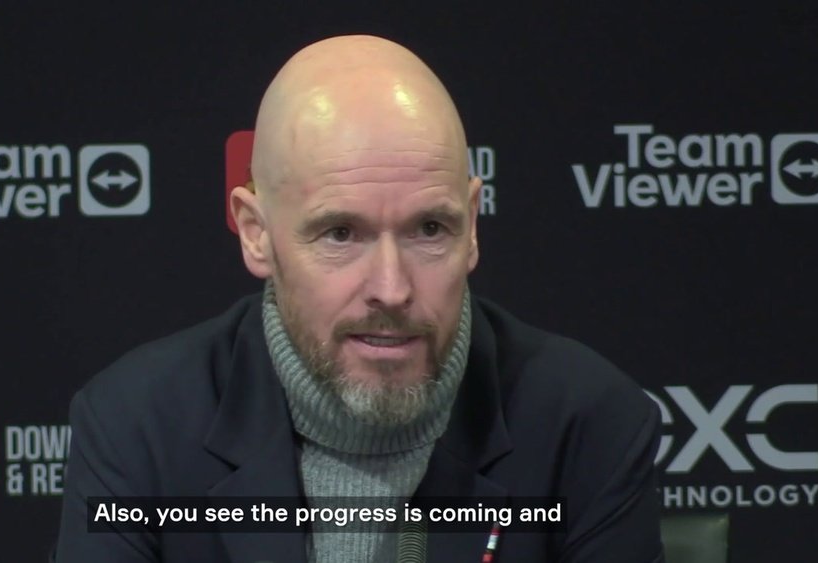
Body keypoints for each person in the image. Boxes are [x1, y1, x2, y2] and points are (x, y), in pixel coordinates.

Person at [53, 35, 664, 562]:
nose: (392, 289)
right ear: (256, 232)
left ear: (473, 225)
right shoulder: (135, 425)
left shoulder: (586, 422)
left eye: (430, 230)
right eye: (341, 234)